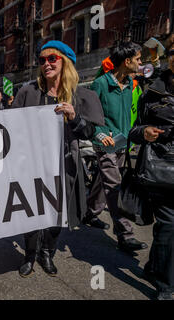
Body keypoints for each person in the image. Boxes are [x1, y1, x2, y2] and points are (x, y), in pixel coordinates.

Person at [12, 40, 104, 277]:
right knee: (30, 211)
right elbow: (10, 125)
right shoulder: (28, 91)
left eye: (52, 59)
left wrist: (74, 117)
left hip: (65, 164)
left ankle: (47, 253)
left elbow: (90, 133)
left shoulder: (82, 95)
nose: (46, 64)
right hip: (32, 164)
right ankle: (30, 255)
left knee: (57, 213)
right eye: (42, 60)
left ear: (66, 62)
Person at [86, 41, 148, 252]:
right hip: (105, 143)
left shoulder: (131, 84)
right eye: (138, 59)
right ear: (127, 61)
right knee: (114, 185)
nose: (141, 63)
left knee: (102, 179)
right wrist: (100, 134)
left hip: (123, 142)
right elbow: (90, 117)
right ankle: (125, 234)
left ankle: (90, 211)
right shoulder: (101, 84)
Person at [129, 34, 174, 300]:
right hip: (162, 169)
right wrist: (144, 131)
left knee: (166, 228)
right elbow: (132, 130)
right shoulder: (152, 90)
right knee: (169, 224)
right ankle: (167, 287)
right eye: (173, 52)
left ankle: (152, 267)